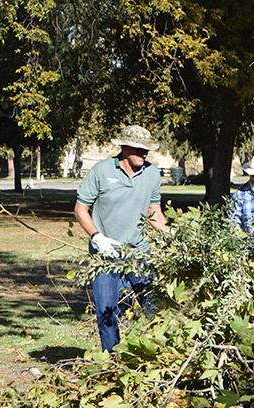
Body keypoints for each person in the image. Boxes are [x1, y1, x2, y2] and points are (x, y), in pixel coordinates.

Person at [74, 124, 168, 352]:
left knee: (152, 306)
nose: (143, 154)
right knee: (106, 311)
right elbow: (80, 209)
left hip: (138, 253)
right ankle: (112, 360)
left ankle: (157, 355)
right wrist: (97, 237)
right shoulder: (102, 171)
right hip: (105, 256)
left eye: (146, 150)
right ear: (125, 148)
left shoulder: (152, 173)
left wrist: (169, 233)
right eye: (138, 149)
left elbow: (153, 211)